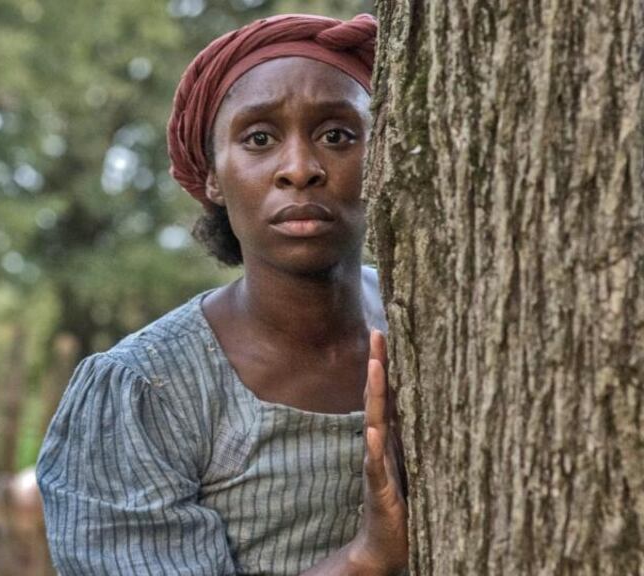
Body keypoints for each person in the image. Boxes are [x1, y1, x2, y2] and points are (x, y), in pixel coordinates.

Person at [37, 13, 408, 576]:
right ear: (212, 174)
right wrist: (368, 558)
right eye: (259, 139)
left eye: (337, 135)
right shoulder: (145, 392)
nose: (300, 169)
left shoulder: (425, 323)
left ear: (379, 157)